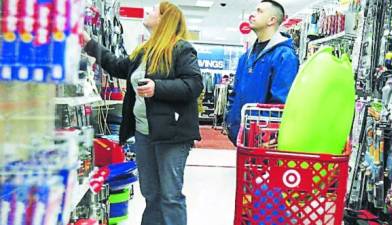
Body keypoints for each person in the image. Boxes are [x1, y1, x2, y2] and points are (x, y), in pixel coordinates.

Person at [82, 2, 203, 225]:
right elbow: (117, 66)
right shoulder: (145, 51)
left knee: (170, 196)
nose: (148, 12)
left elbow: (194, 84)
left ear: (165, 20)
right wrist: (90, 44)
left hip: (172, 135)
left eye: (154, 10)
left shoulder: (181, 49)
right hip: (144, 133)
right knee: (150, 194)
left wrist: (158, 88)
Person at [225, 0, 300, 145]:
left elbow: (281, 102)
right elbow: (235, 93)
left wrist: (269, 136)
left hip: (264, 142)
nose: (252, 14)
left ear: (272, 20)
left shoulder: (285, 56)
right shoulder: (245, 57)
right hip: (241, 135)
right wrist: (230, 120)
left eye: (259, 11)